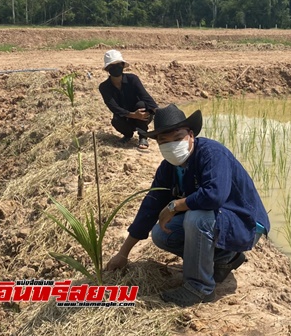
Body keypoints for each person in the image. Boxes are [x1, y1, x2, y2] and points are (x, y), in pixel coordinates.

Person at [106, 104, 270, 307]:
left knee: (196, 217)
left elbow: (214, 196)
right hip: (219, 221)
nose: (171, 145)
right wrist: (123, 253)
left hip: (244, 223)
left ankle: (199, 288)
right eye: (164, 142)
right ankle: (225, 258)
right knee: (161, 233)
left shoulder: (211, 153)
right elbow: (150, 206)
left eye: (177, 138)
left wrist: (175, 205)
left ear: (191, 135)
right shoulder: (168, 168)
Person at [99, 49, 158, 149]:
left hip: (141, 116)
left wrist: (159, 112)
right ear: (108, 69)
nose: (116, 68)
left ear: (122, 66)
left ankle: (143, 136)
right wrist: (133, 115)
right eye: (112, 66)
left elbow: (145, 96)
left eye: (118, 65)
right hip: (125, 117)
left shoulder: (132, 79)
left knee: (141, 105)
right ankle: (128, 135)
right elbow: (113, 107)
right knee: (116, 120)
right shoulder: (104, 87)